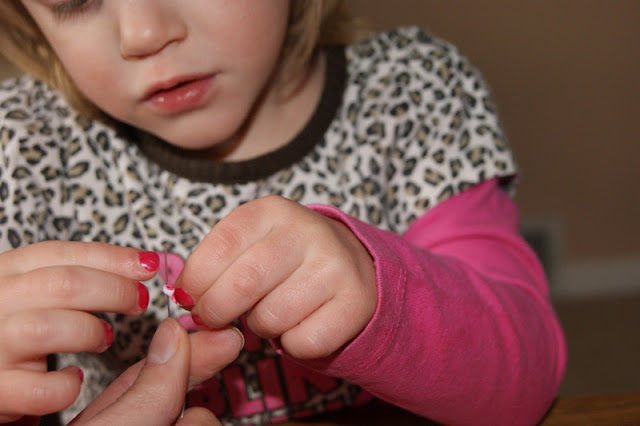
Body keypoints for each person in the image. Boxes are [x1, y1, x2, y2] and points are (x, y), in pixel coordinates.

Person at [0, 1, 566, 425]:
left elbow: (528, 379)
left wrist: (378, 297)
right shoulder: (21, 147)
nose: (143, 33)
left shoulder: (413, 93)